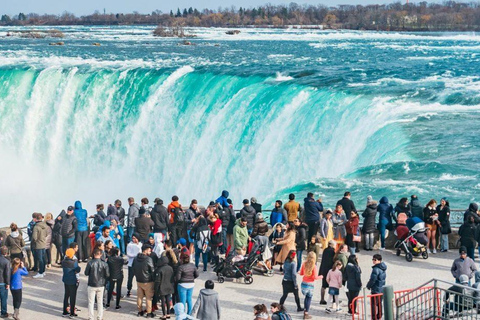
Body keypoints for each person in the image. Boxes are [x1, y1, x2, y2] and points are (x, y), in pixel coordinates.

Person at [85, 248, 109, 320]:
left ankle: (91, 317)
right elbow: (107, 275)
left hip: (92, 284)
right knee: (100, 302)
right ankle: (99, 317)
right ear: (101, 254)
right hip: (101, 284)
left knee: (91, 302)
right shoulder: (104, 264)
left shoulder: (90, 263)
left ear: (94, 254)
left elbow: (86, 273)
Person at [132, 244, 155, 318]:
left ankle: (140, 311)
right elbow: (152, 270)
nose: (150, 251)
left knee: (139, 296)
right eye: (149, 249)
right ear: (145, 250)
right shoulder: (148, 259)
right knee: (148, 298)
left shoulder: (135, 258)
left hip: (139, 280)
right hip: (148, 281)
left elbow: (133, 268)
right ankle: (149, 313)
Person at [299, 252, 322, 319]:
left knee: (306, 298)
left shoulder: (304, 264)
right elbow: (315, 277)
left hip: (303, 284)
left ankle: (304, 311)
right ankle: (306, 313)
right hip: (310, 284)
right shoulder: (314, 266)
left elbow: (301, 273)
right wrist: (321, 276)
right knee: (309, 298)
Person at [366, 254, 387, 320]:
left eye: (375, 260)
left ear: (379, 260)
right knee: (379, 303)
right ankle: (379, 315)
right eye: (373, 259)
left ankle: (374, 317)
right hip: (381, 288)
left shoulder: (376, 269)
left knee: (373, 304)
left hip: (376, 289)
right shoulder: (383, 268)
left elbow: (373, 279)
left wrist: (368, 286)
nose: (373, 261)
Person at [62, 248, 80, 318]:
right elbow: (78, 269)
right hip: (72, 281)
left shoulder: (63, 261)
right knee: (73, 297)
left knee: (66, 295)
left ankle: (65, 311)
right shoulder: (74, 262)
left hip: (66, 280)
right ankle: (72, 313)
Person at [319, 240, 336, 305]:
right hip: (329, 270)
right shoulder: (332, 251)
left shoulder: (325, 250)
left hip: (324, 270)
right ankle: (334, 300)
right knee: (332, 285)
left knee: (324, 286)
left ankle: (322, 299)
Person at [31, 214, 48, 279]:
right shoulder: (45, 225)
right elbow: (46, 234)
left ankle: (40, 272)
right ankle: (43, 271)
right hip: (43, 243)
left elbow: (34, 238)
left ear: (36, 219)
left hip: (38, 245)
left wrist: (33, 242)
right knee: (43, 258)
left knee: (40, 259)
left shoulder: (36, 227)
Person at [0, 247, 10, 318]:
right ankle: (3, 313)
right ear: (6, 253)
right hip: (2, 282)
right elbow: (7, 274)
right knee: (3, 299)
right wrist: (8, 283)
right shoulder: (6, 261)